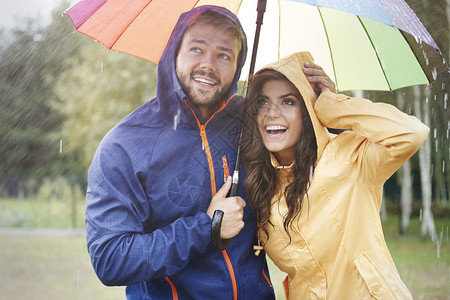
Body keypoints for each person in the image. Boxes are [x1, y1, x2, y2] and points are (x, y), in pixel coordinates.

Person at [241, 52, 429, 299]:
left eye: (288, 101)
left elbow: (411, 132)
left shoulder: (349, 157)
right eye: (263, 102)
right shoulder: (257, 186)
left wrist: (334, 105)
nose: (272, 113)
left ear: (307, 111)